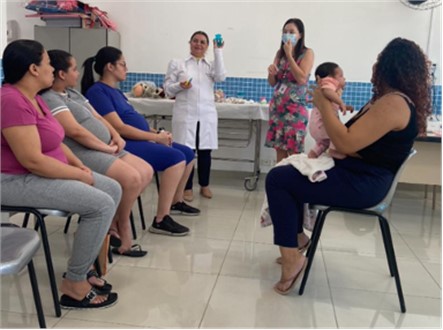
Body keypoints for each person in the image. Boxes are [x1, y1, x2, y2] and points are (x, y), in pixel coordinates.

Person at [266, 37, 431, 295]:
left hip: (364, 184)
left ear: (389, 67)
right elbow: (352, 142)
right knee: (290, 171)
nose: (374, 68)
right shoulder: (391, 100)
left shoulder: (394, 103)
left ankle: (292, 258)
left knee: (278, 179)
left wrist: (323, 106)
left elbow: (343, 141)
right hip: (360, 174)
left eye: (379, 62)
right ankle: (297, 240)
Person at [1, 39, 122, 308]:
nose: (51, 69)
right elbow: (32, 160)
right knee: (100, 204)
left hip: (40, 171)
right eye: (47, 63)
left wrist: (78, 165)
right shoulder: (10, 100)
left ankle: (85, 263)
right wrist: (77, 175)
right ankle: (74, 284)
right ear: (33, 68)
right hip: (13, 179)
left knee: (112, 188)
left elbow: (55, 141)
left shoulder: (35, 98)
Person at [41, 49, 153, 257]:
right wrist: (105, 147)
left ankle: (112, 222)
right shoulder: (50, 98)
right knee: (131, 178)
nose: (78, 73)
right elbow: (75, 131)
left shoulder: (73, 94)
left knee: (146, 171)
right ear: (62, 74)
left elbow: (99, 118)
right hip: (81, 152)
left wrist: (116, 136)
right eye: (74, 69)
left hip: (105, 147)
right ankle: (123, 227)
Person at [81, 46, 199, 237]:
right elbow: (118, 128)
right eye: (123, 64)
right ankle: (161, 219)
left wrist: (158, 133)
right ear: (110, 67)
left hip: (139, 138)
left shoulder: (116, 92)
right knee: (176, 158)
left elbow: (134, 121)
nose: (126, 68)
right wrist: (155, 138)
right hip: (124, 143)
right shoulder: (98, 92)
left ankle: (176, 202)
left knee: (187, 153)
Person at [164, 30, 227, 201]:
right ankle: (187, 187)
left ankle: (205, 185)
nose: (198, 44)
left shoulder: (211, 66)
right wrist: (180, 86)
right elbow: (168, 89)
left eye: (202, 42)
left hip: (206, 114)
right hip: (186, 114)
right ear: (190, 43)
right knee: (187, 151)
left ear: (207, 46)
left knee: (205, 151)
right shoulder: (178, 64)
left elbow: (221, 77)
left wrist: (218, 51)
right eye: (195, 41)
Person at [265, 18, 314, 164]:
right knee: (279, 149)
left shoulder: (307, 53)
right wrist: (271, 72)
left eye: (292, 32)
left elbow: (301, 79)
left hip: (295, 110)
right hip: (278, 109)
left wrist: (290, 56)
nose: (287, 35)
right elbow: (272, 83)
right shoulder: (279, 53)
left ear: (300, 35)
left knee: (294, 153)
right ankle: (280, 183)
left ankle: (293, 185)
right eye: (285, 32)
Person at [308, 62, 353, 159]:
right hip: (321, 124)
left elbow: (333, 103)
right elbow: (327, 91)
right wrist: (341, 102)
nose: (344, 78)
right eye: (340, 75)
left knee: (322, 144)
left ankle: (312, 155)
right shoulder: (327, 83)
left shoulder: (331, 91)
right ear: (330, 78)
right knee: (335, 133)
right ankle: (334, 150)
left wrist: (344, 106)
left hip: (316, 125)